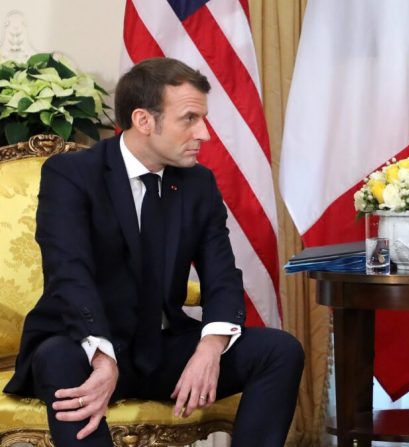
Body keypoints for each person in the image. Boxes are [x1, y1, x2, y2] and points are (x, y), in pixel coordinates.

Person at [3, 57, 304, 446]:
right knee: (60, 359)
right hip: (85, 345)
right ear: (144, 120)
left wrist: (210, 348)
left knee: (279, 350)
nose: (205, 134)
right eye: (190, 119)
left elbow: (222, 275)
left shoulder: (198, 184)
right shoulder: (72, 174)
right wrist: (102, 356)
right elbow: (68, 272)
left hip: (161, 348)